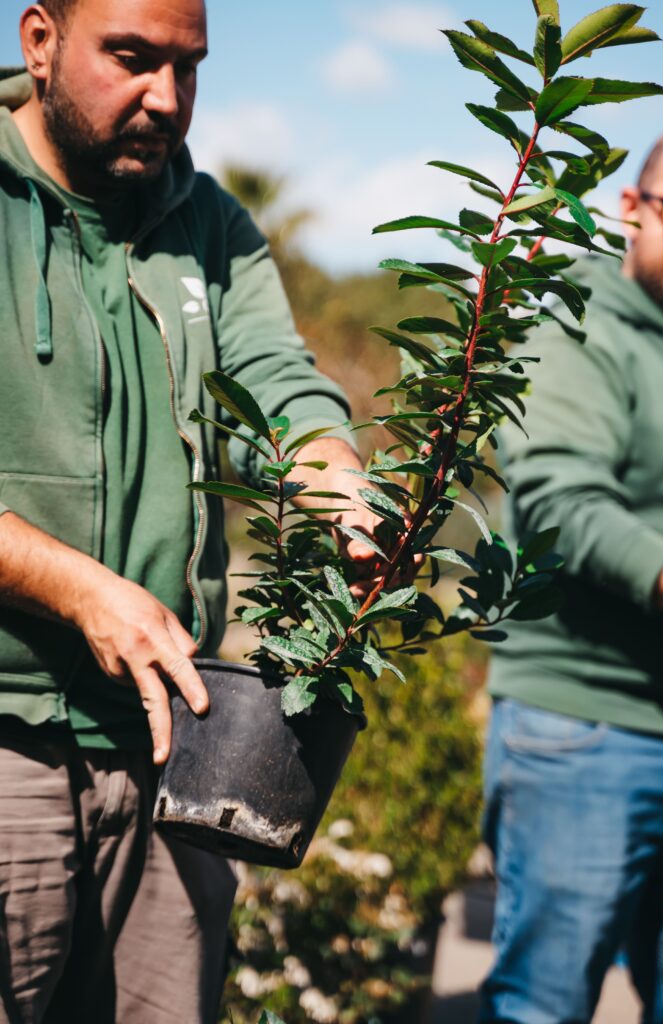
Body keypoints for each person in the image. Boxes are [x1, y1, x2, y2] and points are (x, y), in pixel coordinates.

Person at [0, 1, 380, 1021]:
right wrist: (78, 589)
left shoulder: (209, 225)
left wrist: (331, 470)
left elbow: (279, 387)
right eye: (132, 58)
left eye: (188, 67)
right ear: (41, 42)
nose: (166, 99)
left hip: (176, 752)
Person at [481, 127, 663, 1023]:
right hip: (586, 731)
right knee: (544, 1007)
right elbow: (567, 509)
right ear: (633, 208)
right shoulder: (572, 329)